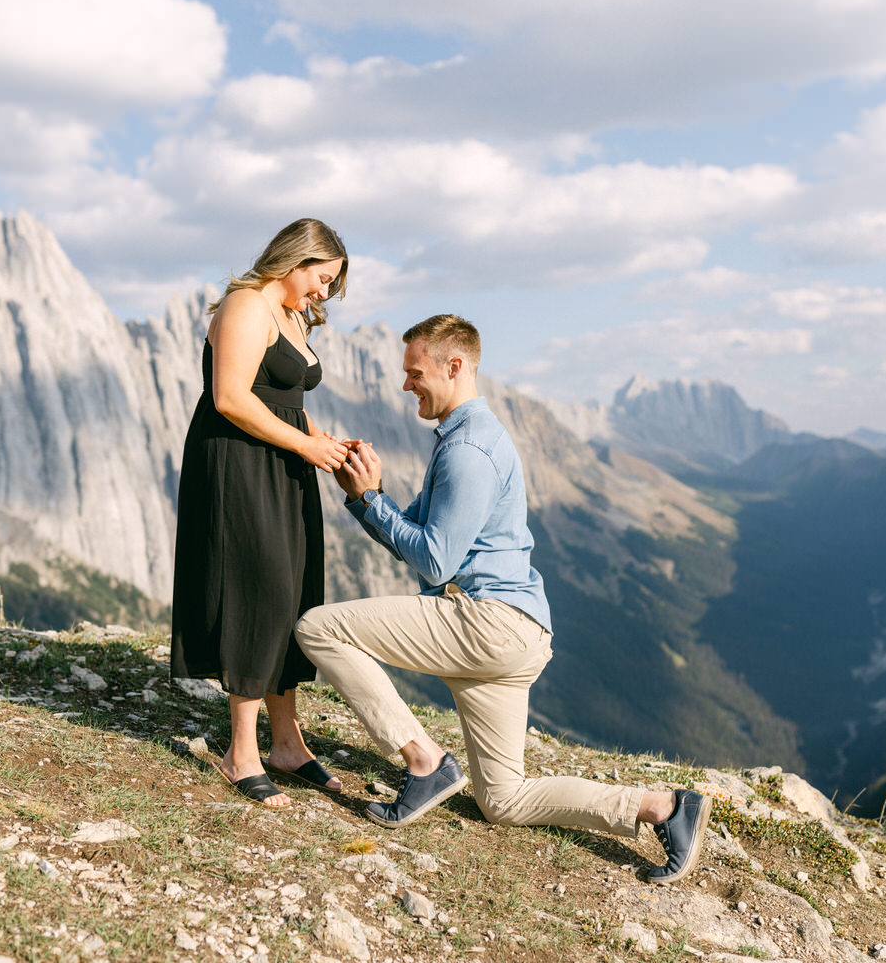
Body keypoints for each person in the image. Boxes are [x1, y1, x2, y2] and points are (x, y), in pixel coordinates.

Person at [295, 314, 708, 883]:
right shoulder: (468, 439)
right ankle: (663, 807)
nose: (406, 384)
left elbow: (434, 560)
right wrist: (371, 496)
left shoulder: (467, 450)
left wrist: (370, 501)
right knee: (504, 799)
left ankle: (424, 762)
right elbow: (416, 530)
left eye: (415, 372)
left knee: (319, 628)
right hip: (517, 633)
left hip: (484, 622)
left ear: (454, 366)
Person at [172, 218, 353, 808]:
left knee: (293, 592)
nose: (324, 293)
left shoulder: (293, 315)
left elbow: (286, 402)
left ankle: (288, 745)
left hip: (284, 462)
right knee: (260, 590)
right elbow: (229, 397)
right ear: (295, 260)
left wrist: (325, 442)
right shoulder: (246, 304)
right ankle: (241, 754)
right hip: (240, 463)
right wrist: (305, 446)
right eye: (322, 279)